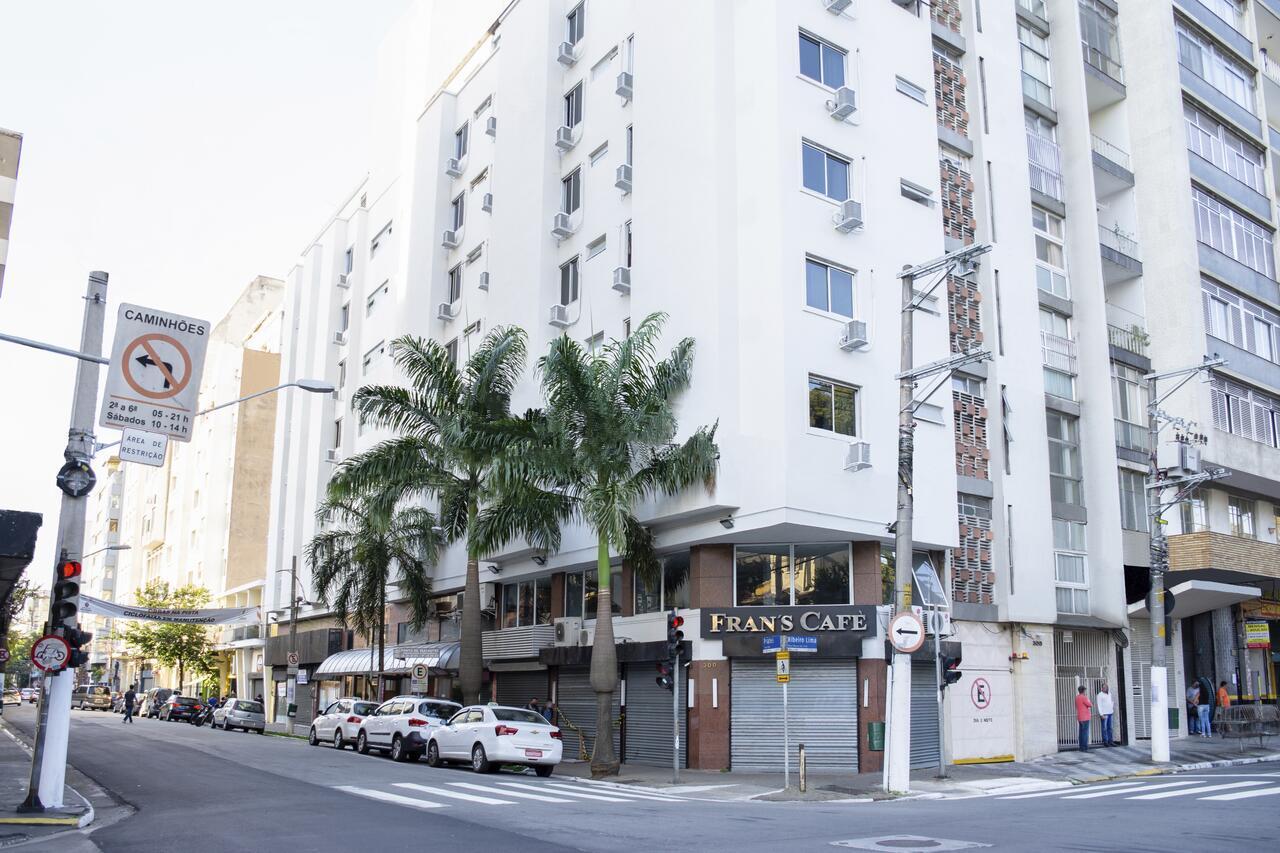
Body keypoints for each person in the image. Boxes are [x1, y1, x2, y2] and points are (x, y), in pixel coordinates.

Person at [1096, 683, 1115, 747]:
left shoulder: (1109, 694)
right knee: (1104, 728)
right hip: (1104, 714)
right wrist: (1101, 714)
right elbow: (1099, 705)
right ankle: (1105, 742)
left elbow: (1111, 701)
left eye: (1106, 687)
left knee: (1110, 728)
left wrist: (1112, 708)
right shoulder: (1100, 695)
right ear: (1102, 688)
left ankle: (1111, 741)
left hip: (1110, 713)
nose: (1105, 688)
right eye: (1104, 687)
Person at [1075, 685, 1093, 751]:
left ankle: (1081, 747)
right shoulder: (1084, 697)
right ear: (1083, 690)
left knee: (1081, 732)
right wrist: (1088, 700)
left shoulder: (1077, 697)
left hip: (1080, 717)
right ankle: (1085, 747)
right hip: (1085, 717)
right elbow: (1090, 705)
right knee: (1085, 732)